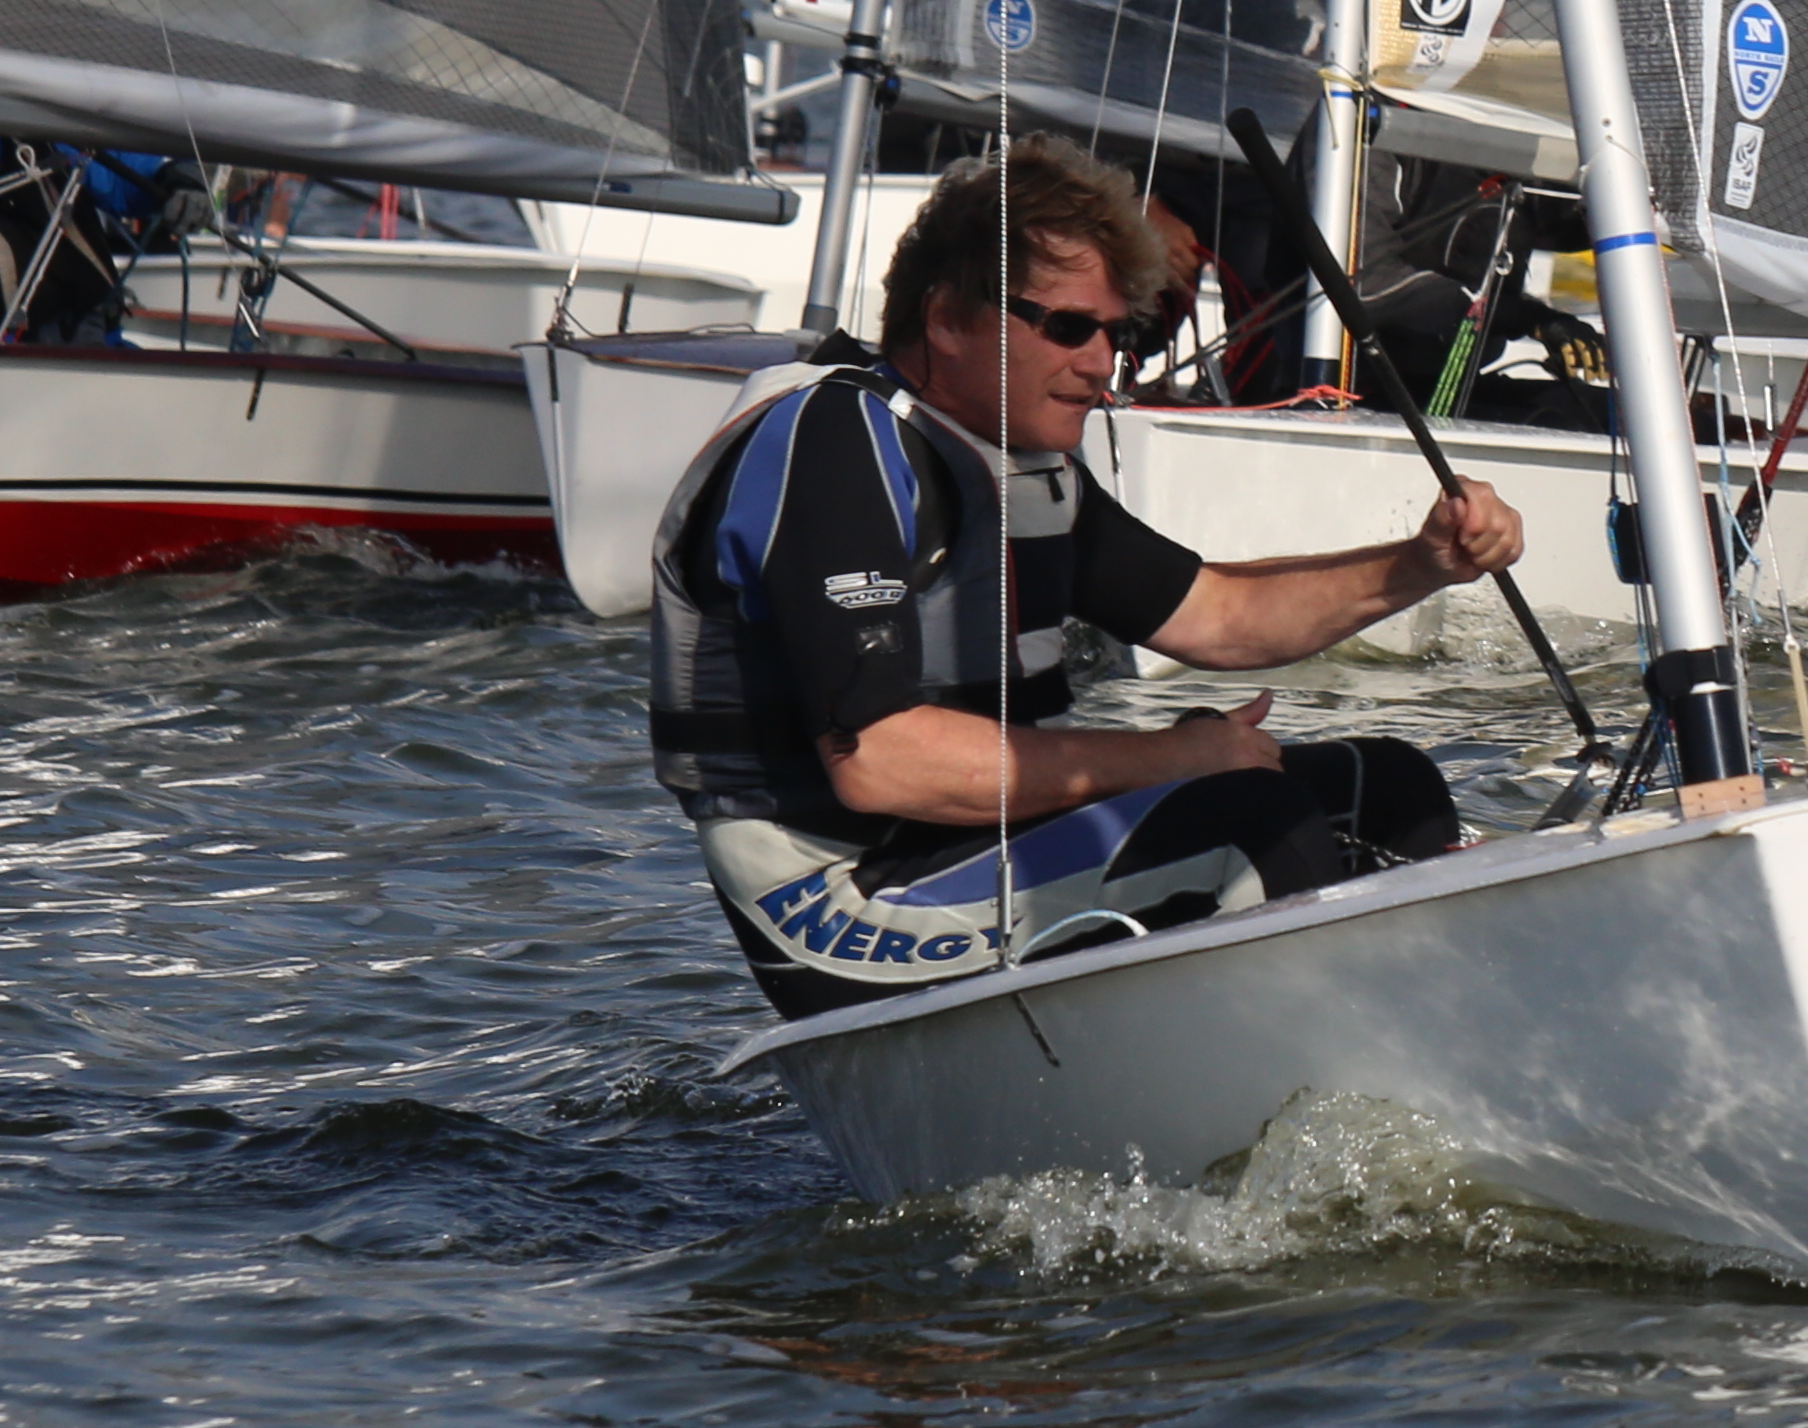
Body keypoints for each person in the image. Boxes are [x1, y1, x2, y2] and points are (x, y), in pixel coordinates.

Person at [645, 138, 1535, 1023]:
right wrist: (1174, 757)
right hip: (844, 900)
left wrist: (1423, 565)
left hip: (980, 853)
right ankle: (1297, 1095)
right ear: (949, 318)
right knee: (1249, 821)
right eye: (1069, 327)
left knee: (1385, 786)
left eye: (1120, 332)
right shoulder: (834, 444)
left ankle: (1423, 1066)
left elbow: (1222, 619)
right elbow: (881, 763)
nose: (1102, 361)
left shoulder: (1018, 464)